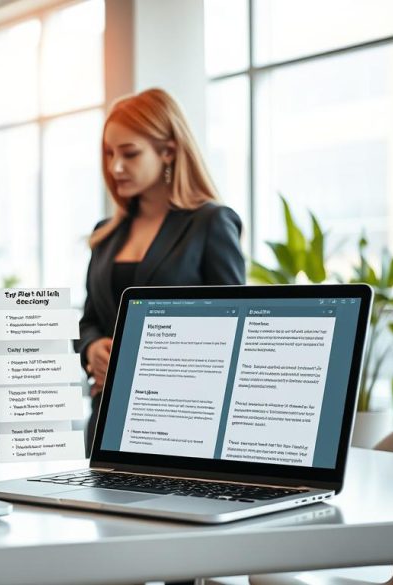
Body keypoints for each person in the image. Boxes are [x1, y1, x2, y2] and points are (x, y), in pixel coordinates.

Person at [77, 88, 245, 451]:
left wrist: (140, 363)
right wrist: (93, 350)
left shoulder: (210, 223)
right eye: (109, 153)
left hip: (180, 425)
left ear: (168, 150)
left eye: (129, 153)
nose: (115, 167)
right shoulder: (105, 234)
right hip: (106, 419)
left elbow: (232, 330)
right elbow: (90, 319)